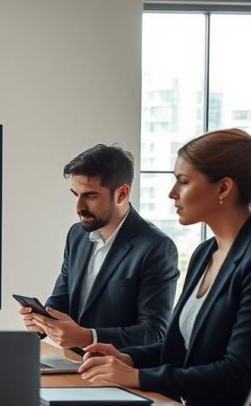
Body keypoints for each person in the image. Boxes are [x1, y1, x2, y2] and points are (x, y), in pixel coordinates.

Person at [78, 127, 251, 406]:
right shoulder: (206, 252)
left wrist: (138, 377)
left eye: (183, 181)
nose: (172, 193)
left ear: (223, 188)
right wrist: (129, 358)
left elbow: (239, 373)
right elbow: (185, 351)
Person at [21, 144, 179, 349]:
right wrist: (42, 321)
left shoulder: (156, 247)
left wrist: (88, 337)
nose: (79, 207)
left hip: (121, 372)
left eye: (90, 196)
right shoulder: (77, 235)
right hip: (76, 364)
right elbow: (61, 300)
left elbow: (155, 331)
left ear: (121, 194)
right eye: (75, 194)